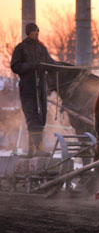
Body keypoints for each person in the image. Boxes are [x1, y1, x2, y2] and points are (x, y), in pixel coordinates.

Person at [10, 23, 58, 157]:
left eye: (38, 31)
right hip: (28, 88)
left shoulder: (42, 47)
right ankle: (37, 150)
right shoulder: (21, 48)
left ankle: (34, 149)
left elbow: (49, 61)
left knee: (42, 118)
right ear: (28, 33)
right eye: (34, 32)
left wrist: (57, 66)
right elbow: (15, 65)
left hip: (41, 88)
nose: (37, 34)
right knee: (33, 118)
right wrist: (31, 67)